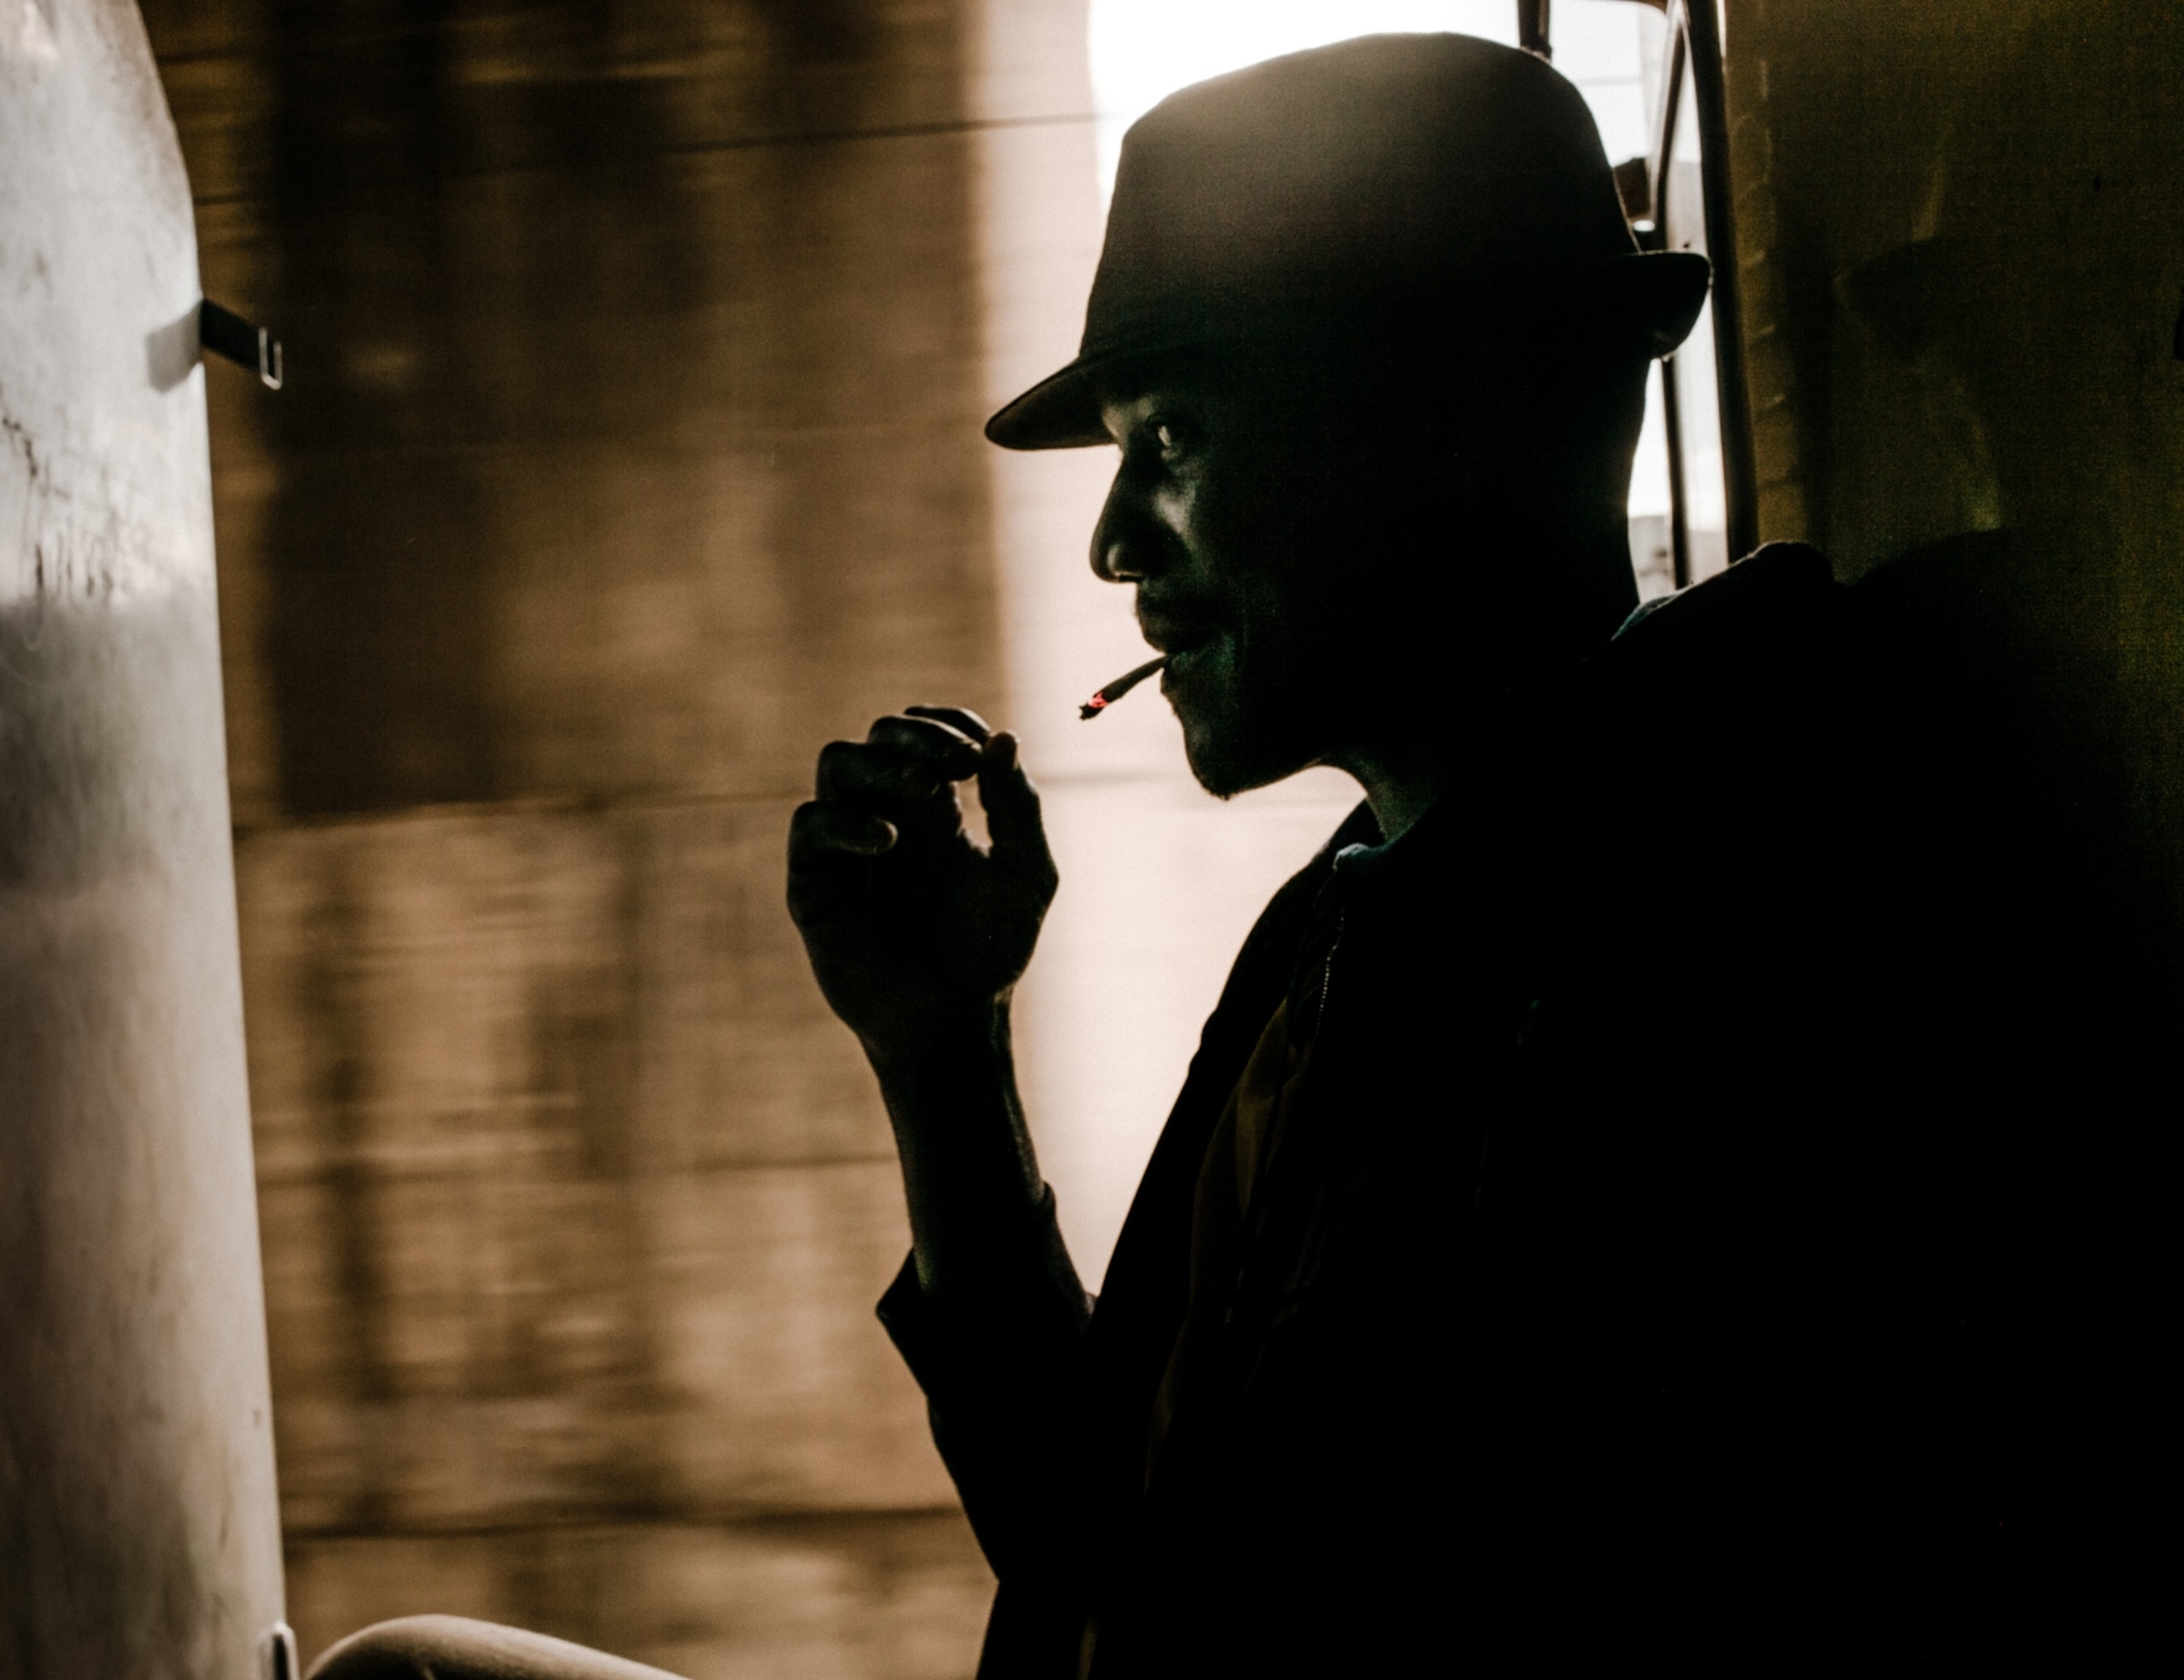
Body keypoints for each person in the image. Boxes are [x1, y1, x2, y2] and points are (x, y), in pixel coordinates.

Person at [785, 33, 2164, 1677]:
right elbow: (1110, 1543)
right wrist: (938, 1051)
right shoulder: (1355, 920)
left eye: (1172, 446)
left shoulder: (1720, 924)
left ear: (1431, 424)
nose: (1108, 545)